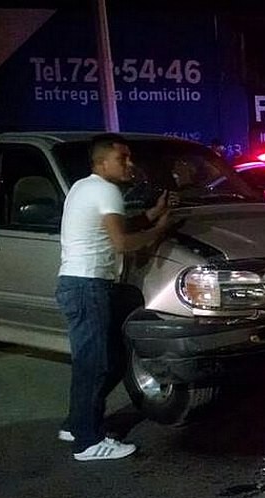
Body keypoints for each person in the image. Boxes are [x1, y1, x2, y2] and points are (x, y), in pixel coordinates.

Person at [56, 133, 170, 461]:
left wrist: (150, 215)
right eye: (123, 158)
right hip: (87, 286)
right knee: (94, 364)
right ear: (102, 161)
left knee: (105, 360)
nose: (129, 164)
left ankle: (76, 423)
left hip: (81, 285)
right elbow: (122, 242)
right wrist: (159, 230)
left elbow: (113, 226)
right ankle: (87, 443)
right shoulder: (107, 190)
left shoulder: (84, 186)